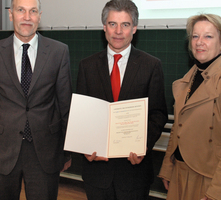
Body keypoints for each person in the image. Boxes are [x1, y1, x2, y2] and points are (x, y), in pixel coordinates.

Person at [0, 0, 72, 199]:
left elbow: (65, 105)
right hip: (1, 149)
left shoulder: (58, 51)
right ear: (11, 14)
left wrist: (66, 151)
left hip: (44, 152)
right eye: (21, 10)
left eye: (33, 11)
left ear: (39, 15)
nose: (27, 17)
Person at [159, 13, 221, 200]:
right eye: (195, 36)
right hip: (180, 174)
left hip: (212, 181)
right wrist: (167, 168)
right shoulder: (186, 81)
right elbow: (178, 129)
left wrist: (217, 194)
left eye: (208, 36)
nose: (199, 42)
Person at [76, 0, 168, 199]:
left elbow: (158, 114)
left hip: (134, 172)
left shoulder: (151, 66)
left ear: (134, 28)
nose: (118, 31)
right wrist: (84, 146)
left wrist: (143, 145)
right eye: (112, 24)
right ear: (104, 27)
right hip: (97, 171)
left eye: (125, 24)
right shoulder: (87, 66)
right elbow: (81, 115)